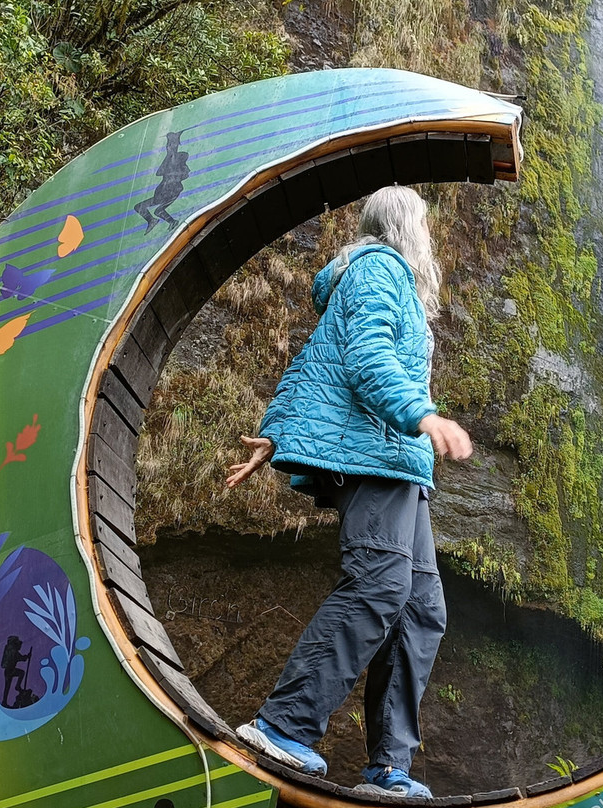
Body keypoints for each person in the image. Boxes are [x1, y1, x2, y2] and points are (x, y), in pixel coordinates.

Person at [225, 186, 472, 798]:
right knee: (380, 584)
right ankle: (282, 725)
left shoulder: (377, 280)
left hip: (403, 468)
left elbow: (314, 363)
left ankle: (390, 767)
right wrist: (423, 415)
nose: (429, 237)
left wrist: (275, 434)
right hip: (377, 456)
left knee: (420, 609)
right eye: (424, 224)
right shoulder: (379, 268)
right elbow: (365, 358)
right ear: (405, 227)